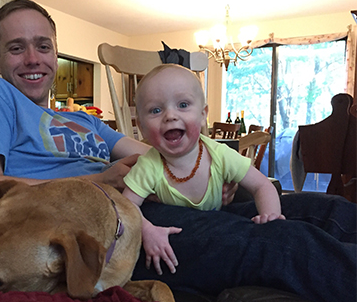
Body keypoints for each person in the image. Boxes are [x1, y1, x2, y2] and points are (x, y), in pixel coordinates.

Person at [0, 0, 356, 302]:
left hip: (150, 200)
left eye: (43, 46)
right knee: (280, 242)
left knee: (324, 209)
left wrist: (202, 174)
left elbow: (159, 152)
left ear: (54, 52)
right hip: (108, 226)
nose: (32, 58)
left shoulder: (83, 121)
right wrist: (99, 181)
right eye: (15, 48)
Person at [122, 64, 285, 275]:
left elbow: (262, 184)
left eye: (183, 105)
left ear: (202, 114)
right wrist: (147, 231)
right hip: (183, 242)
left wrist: (270, 217)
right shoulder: (148, 165)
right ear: (141, 127)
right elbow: (125, 206)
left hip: (219, 229)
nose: (170, 115)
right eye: (156, 110)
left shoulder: (219, 154)